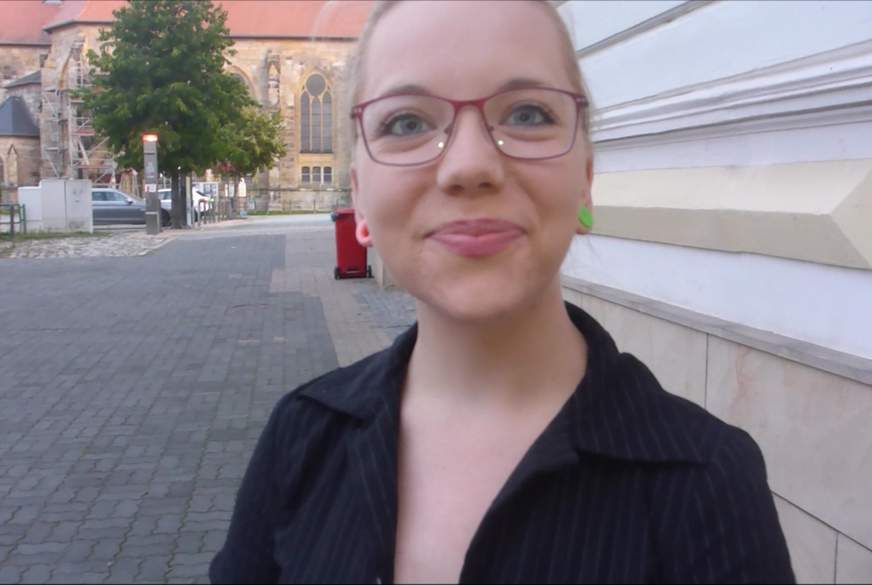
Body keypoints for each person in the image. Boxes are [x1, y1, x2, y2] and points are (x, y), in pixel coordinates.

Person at [210, 1, 795, 583]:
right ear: (359, 197)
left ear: (586, 181)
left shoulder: (706, 481)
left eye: (527, 113)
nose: (470, 165)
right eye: (407, 123)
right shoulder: (300, 438)